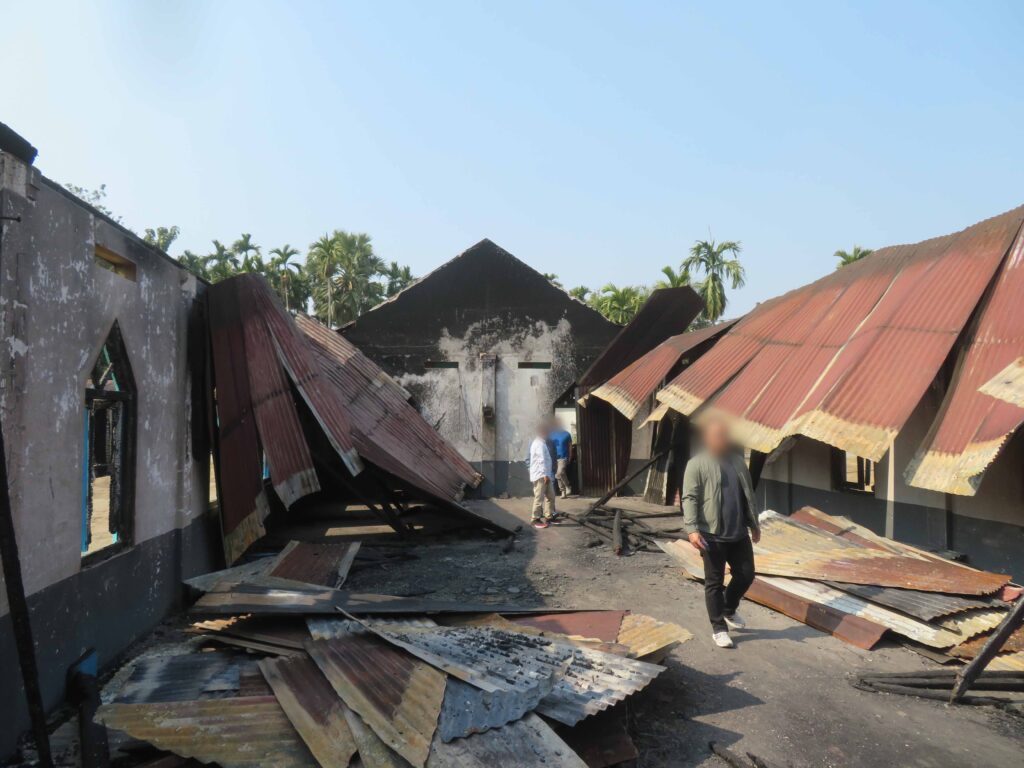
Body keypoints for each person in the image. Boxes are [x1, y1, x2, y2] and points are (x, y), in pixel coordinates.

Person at [682, 415, 760, 649]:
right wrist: (692, 529)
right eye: (716, 435)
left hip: (738, 533)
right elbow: (690, 497)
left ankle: (728, 608)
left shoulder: (738, 462)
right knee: (714, 582)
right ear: (707, 438)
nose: (721, 439)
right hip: (711, 534)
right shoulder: (696, 464)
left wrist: (754, 524)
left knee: (746, 574)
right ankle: (719, 628)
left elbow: (747, 495)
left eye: (724, 435)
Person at [529, 421, 556, 528]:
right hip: (541, 475)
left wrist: (547, 474)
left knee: (551, 496)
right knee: (539, 498)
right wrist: (545, 474)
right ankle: (535, 519)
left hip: (545, 475)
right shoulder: (538, 443)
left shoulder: (542, 442)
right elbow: (541, 460)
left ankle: (548, 516)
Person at [548, 419, 573, 498]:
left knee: (559, 473)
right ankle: (563, 492)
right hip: (554, 457)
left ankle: (568, 486)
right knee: (560, 474)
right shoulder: (551, 434)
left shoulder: (567, 434)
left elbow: (570, 446)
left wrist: (570, 456)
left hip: (563, 457)